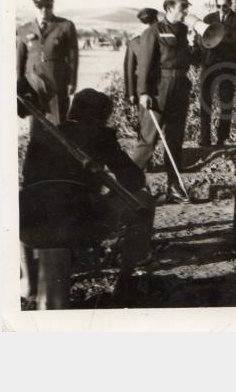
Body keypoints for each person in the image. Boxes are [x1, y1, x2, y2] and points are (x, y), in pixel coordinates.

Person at [19, 88, 154, 309]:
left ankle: (30, 282)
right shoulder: (101, 135)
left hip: (28, 223)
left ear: (72, 110)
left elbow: (30, 181)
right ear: (102, 117)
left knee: (29, 199)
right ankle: (124, 283)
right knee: (143, 201)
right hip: (74, 222)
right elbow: (134, 181)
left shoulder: (44, 134)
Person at [131, 0, 208, 203]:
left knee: (175, 140)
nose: (186, 11)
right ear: (169, 8)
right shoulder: (154, 31)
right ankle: (126, 185)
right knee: (148, 140)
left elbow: (195, 61)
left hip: (180, 88)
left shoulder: (183, 31)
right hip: (159, 89)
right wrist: (143, 92)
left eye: (186, 7)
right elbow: (145, 65)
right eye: (183, 7)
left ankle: (174, 187)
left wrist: (196, 43)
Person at [16, 0, 79, 124]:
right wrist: (19, 85)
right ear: (35, 7)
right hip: (33, 85)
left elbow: (73, 57)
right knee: (36, 125)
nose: (44, 10)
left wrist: (72, 82)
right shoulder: (24, 29)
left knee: (58, 124)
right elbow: (20, 60)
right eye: (40, 6)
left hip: (57, 83)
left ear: (52, 5)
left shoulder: (65, 26)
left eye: (48, 6)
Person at [199, 0, 236, 147]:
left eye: (224, 6)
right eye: (218, 6)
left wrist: (215, 36)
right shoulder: (208, 19)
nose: (221, 9)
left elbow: (235, 40)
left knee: (226, 102)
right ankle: (204, 138)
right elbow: (203, 41)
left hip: (227, 65)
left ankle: (222, 138)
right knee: (205, 101)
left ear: (230, 4)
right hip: (209, 64)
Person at [123, 8, 159, 105]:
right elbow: (130, 69)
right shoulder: (135, 43)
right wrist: (131, 93)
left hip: (160, 87)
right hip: (144, 90)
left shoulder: (162, 40)